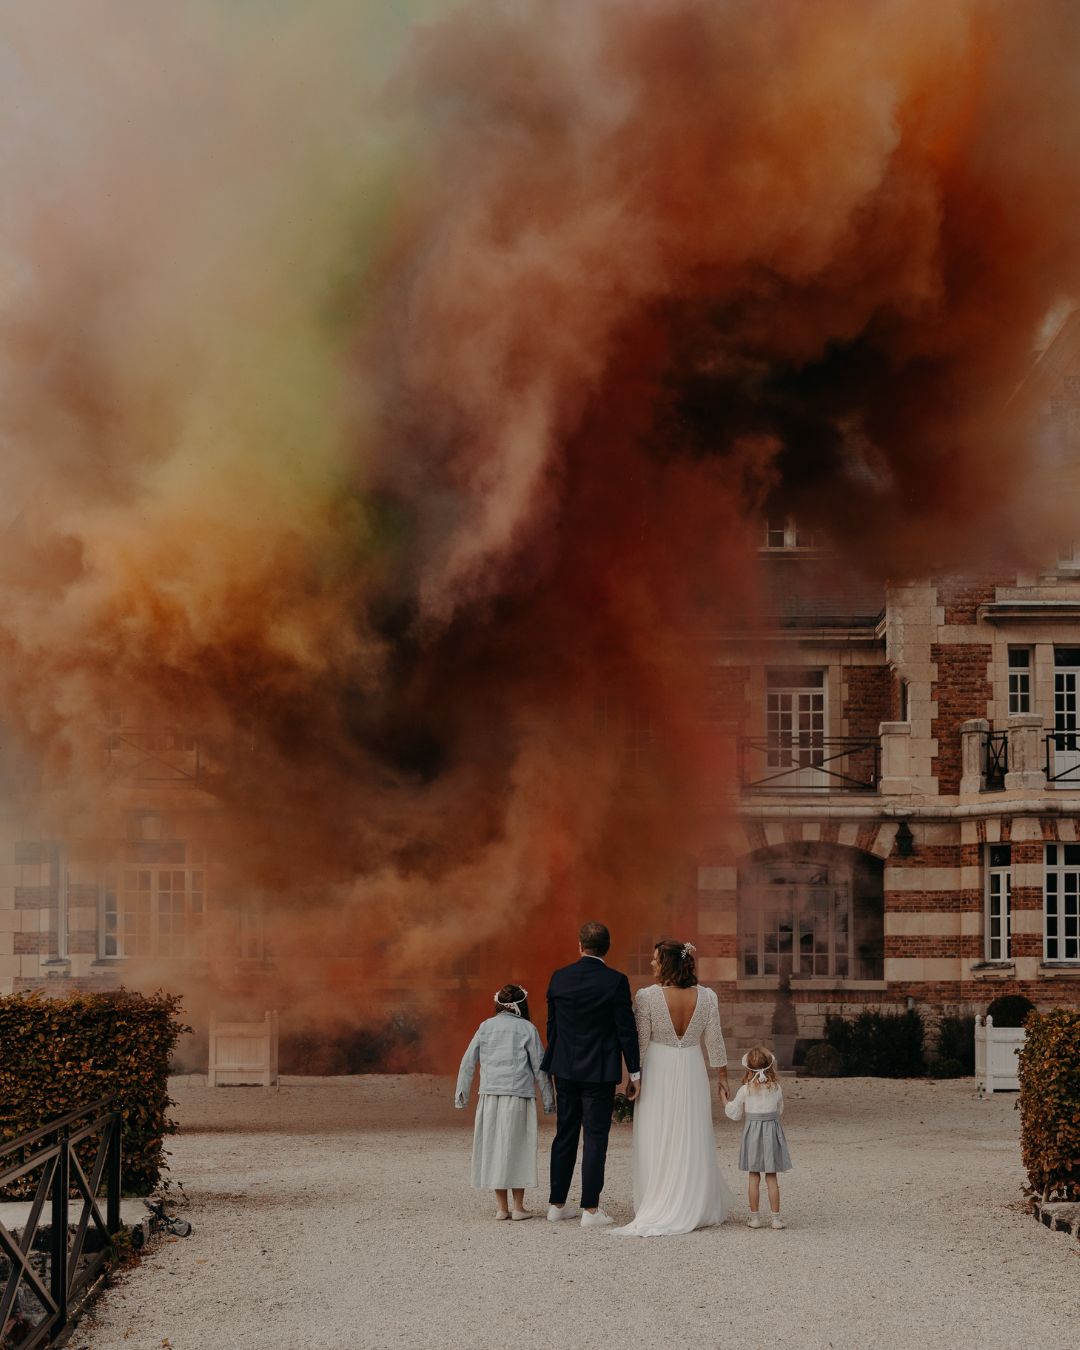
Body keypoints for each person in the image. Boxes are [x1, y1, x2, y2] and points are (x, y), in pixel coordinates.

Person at [610, 939, 735, 1236]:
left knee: (656, 1132)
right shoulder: (707, 997)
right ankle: (692, 1200)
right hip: (692, 1065)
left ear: (667, 964)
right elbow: (715, 1040)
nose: (652, 964)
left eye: (655, 960)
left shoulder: (647, 997)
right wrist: (722, 1076)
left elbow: (640, 1040)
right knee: (691, 1131)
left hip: (658, 1069)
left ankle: (656, 1199)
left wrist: (633, 1078)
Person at [541, 921, 640, 1227]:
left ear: (579, 945)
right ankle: (590, 1210)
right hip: (599, 1070)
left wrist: (552, 1063)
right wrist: (635, 1072)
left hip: (565, 1068)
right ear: (607, 947)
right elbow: (626, 1030)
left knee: (565, 1134)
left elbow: (553, 1028)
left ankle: (556, 1204)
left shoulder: (559, 978)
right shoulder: (615, 981)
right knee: (595, 1137)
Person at [455, 983, 555, 1220]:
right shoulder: (527, 1028)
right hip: (519, 1096)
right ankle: (519, 1207)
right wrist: (549, 1101)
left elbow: (467, 1062)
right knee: (517, 1147)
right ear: (522, 1004)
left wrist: (462, 1095)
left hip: (490, 1096)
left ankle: (502, 1208)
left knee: (493, 1147)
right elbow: (541, 1068)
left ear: (498, 1003)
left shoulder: (485, 1027)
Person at [721, 1046, 792, 1229]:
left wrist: (723, 1098)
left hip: (752, 1135)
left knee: (754, 1176)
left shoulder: (745, 1090)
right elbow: (780, 1110)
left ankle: (755, 1218)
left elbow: (734, 1112)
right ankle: (776, 1219)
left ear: (748, 1069)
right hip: (772, 1134)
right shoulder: (777, 1088)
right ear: (770, 1066)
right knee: (771, 1177)